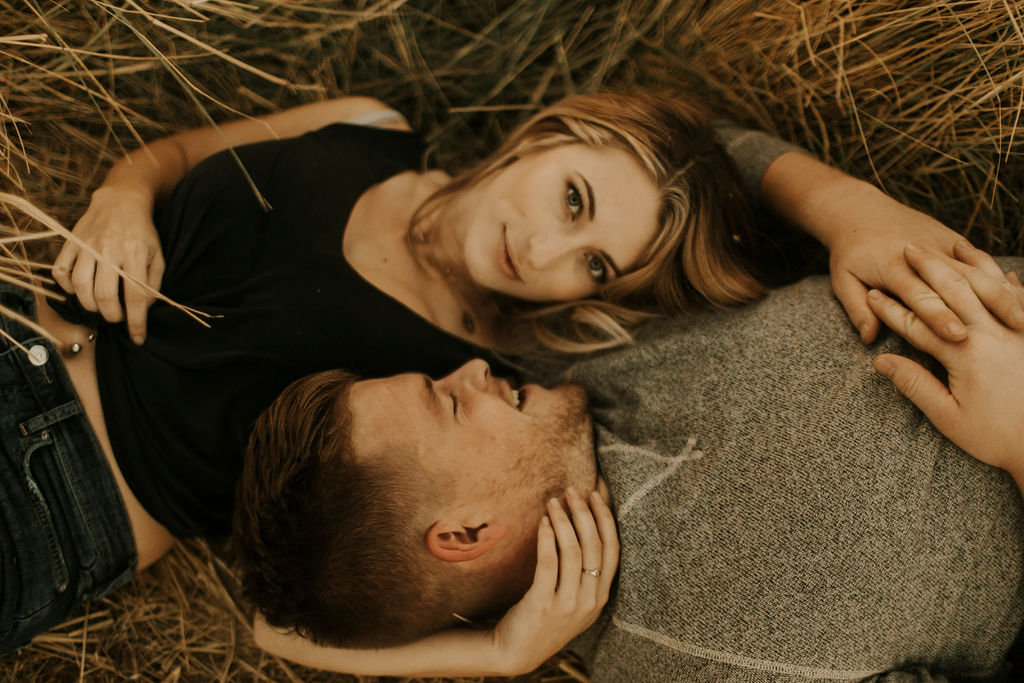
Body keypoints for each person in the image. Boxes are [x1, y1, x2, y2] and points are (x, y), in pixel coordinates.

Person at [1, 88, 1011, 666]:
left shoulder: (492, 368)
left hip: (61, 502)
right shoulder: (370, 126)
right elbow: (177, 153)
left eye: (598, 264)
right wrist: (123, 193)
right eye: (571, 197)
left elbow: (281, 620)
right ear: (549, 132)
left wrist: (500, 653)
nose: (550, 249)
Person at [235, 245, 1024, 680]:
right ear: (466, 530)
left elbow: (269, 627)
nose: (470, 371)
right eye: (446, 402)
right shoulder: (696, 658)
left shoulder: (563, 355)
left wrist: (850, 213)